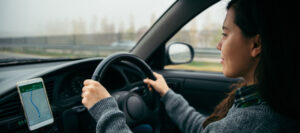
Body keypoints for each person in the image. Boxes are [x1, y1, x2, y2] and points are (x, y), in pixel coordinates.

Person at [81, 0, 299, 132]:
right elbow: (203, 129)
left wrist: (106, 110)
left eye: (225, 34)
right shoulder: (266, 104)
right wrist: (167, 94)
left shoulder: (253, 122)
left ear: (256, 44)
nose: (218, 45)